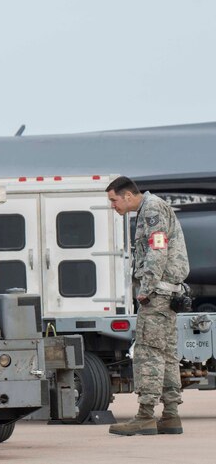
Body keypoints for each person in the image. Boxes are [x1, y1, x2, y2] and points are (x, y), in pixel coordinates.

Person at [106, 176, 190, 436]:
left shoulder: (151, 209)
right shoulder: (151, 207)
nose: (113, 206)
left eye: (114, 200)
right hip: (168, 292)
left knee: (148, 352)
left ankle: (145, 415)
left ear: (128, 195)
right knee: (165, 353)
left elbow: (157, 249)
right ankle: (171, 415)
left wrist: (147, 288)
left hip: (157, 294)